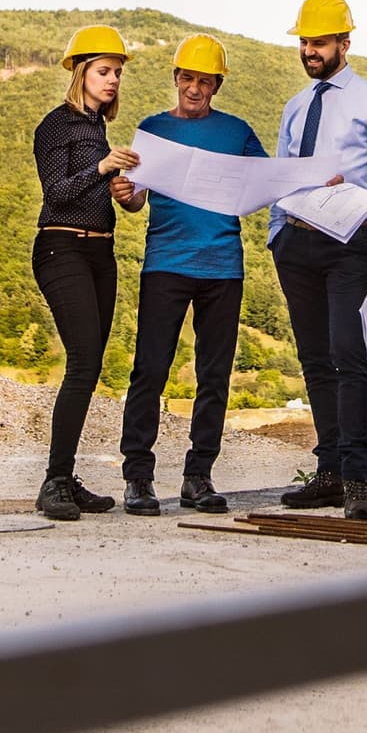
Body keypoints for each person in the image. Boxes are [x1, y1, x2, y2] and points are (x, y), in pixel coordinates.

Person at [110, 35, 268, 517]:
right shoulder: (152, 130)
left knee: (214, 375)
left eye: (204, 81)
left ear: (217, 85)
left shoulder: (237, 132)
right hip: (165, 265)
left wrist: (316, 185)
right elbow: (136, 197)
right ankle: (138, 478)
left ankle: (198, 477)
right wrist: (125, 193)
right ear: (176, 78)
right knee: (150, 371)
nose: (194, 88)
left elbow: (267, 181)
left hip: (223, 267)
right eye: (187, 78)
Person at [270, 0, 367, 521]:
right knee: (313, 359)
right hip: (298, 243)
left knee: (349, 356)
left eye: (320, 42)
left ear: (344, 44)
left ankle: (357, 479)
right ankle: (327, 472)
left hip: (352, 242)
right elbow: (283, 178)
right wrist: (276, 234)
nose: (310, 50)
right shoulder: (296, 107)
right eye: (305, 41)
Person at [29, 25, 139, 522]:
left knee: (90, 365)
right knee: (81, 361)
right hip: (60, 248)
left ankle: (65, 476)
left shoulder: (99, 130)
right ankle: (54, 481)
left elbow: (100, 196)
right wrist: (101, 171)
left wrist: (123, 192)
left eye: (116, 72)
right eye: (103, 71)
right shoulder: (56, 125)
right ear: (80, 73)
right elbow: (56, 192)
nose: (112, 79)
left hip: (101, 253)